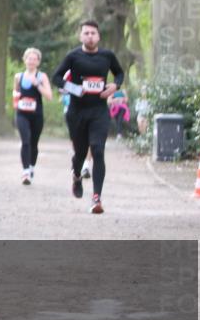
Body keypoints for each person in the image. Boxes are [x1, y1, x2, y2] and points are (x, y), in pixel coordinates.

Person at [51, 20, 125, 214]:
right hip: (77, 112)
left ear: (98, 36)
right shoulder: (73, 56)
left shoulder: (107, 56)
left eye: (93, 33)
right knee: (80, 153)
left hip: (99, 111)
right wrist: (74, 88)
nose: (90, 36)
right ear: (81, 36)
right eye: (86, 33)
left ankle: (96, 198)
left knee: (98, 149)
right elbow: (56, 77)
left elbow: (119, 73)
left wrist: (114, 86)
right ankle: (76, 176)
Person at [13, 48, 54, 184]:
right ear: (24, 60)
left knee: (34, 143)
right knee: (25, 141)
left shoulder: (42, 77)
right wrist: (16, 102)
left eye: (34, 59)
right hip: (21, 114)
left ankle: (31, 167)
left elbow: (49, 96)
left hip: (36, 115)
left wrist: (37, 84)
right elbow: (16, 93)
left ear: (38, 62)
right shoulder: (18, 77)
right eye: (29, 59)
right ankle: (25, 172)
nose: (31, 61)